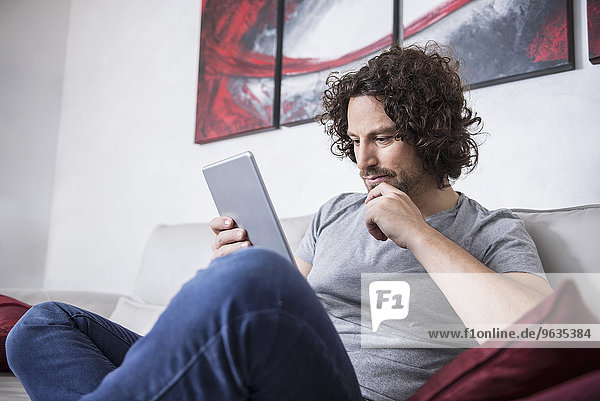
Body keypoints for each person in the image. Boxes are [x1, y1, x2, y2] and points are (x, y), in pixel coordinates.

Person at [7, 43, 552, 401]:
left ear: (432, 135)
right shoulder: (336, 213)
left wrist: (417, 233)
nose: (363, 162)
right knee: (44, 324)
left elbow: (542, 335)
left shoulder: (490, 231)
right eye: (355, 141)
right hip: (255, 376)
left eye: (383, 138)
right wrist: (244, 263)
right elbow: (295, 299)